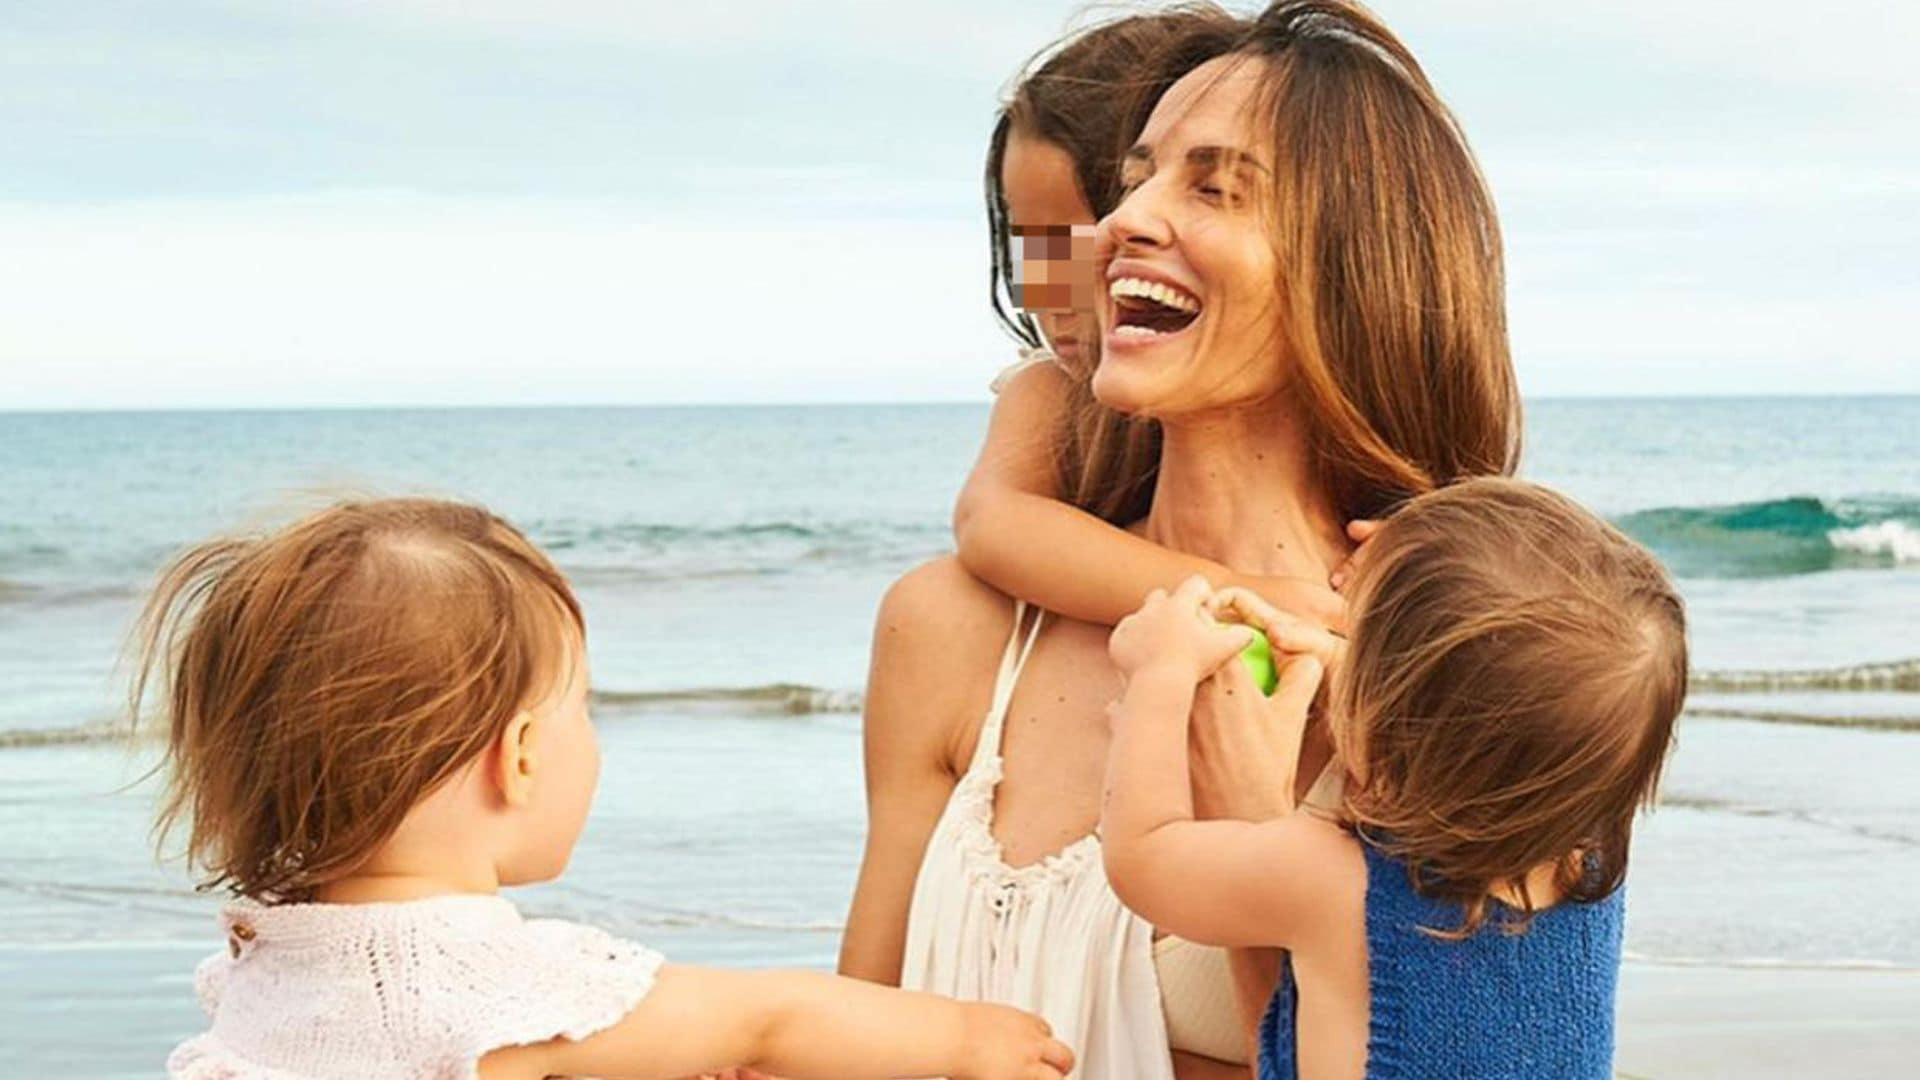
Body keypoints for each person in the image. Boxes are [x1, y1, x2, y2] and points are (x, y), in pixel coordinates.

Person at [842, 3, 1520, 1077]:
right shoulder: (951, 628)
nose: (1119, 225)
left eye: (1213, 185)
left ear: (1357, 267)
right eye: (1138, 177)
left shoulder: (1428, 689)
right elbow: (849, 1034)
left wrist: (1256, 824)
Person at [137, 498, 1073, 1080]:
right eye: (582, 706)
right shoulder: (502, 979)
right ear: (524, 753)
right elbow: (776, 1015)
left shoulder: (272, 962)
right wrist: (965, 1038)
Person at [1101, 479, 1688, 1079]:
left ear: (1385, 725)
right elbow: (1492, 723)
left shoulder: (1331, 878)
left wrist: (1160, 675)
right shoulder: (1587, 860)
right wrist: (1356, 674)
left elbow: (1142, 855)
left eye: (1357, 645)